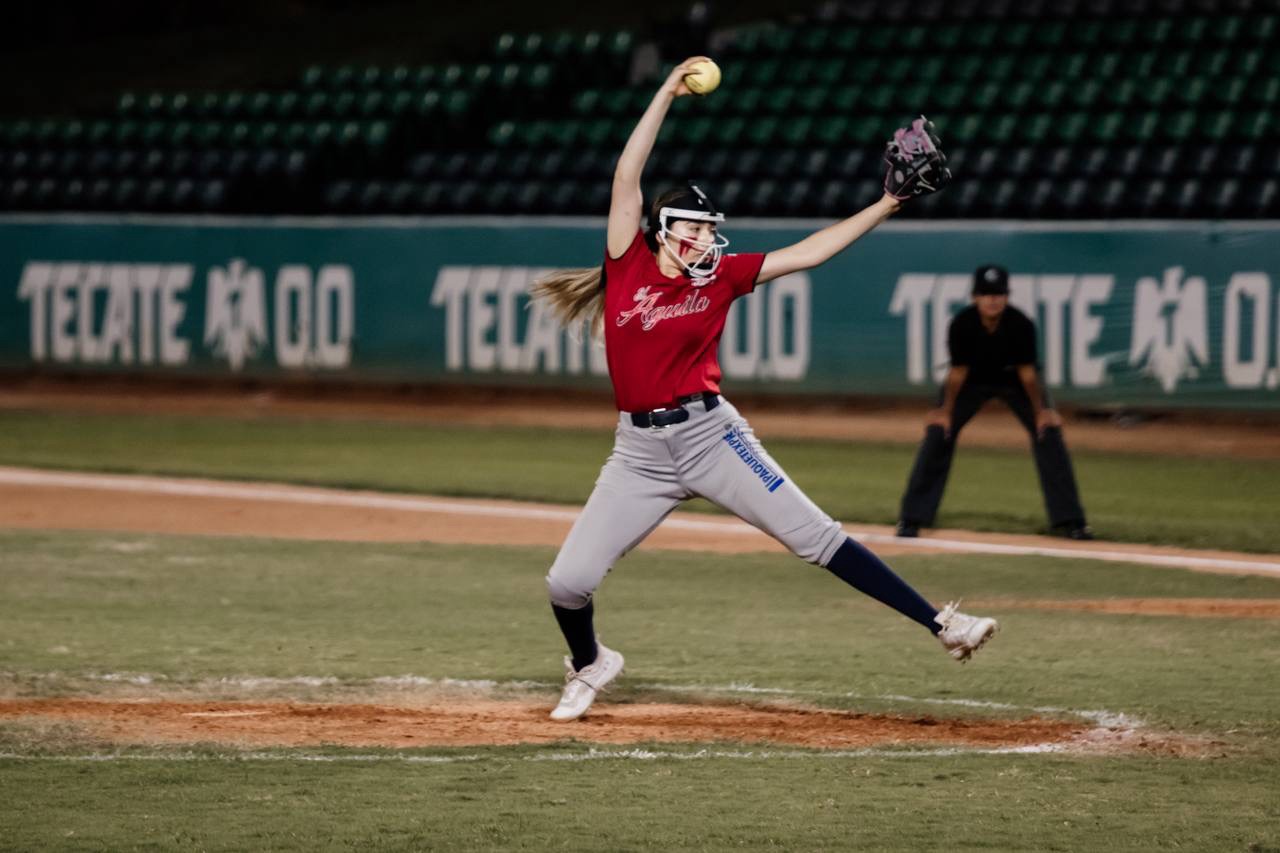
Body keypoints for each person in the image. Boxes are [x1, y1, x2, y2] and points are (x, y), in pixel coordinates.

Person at [532, 57, 995, 723]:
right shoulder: (627, 261)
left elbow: (810, 252)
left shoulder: (720, 277)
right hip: (636, 452)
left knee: (817, 537)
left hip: (710, 436)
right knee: (566, 582)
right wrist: (665, 90)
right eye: (693, 227)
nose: (705, 237)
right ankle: (590, 662)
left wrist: (888, 202)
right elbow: (627, 175)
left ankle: (941, 623)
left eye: (709, 228)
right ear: (663, 230)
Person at [896, 264, 1093, 541]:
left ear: (1007, 296)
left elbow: (1028, 374)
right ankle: (912, 518)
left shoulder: (1020, 324)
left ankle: (1070, 521)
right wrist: (945, 412)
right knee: (939, 432)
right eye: (986, 294)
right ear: (975, 297)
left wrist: (1041, 412)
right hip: (970, 381)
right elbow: (957, 373)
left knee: (1048, 432)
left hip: (1014, 380)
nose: (993, 300)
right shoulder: (963, 324)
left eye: (998, 294)